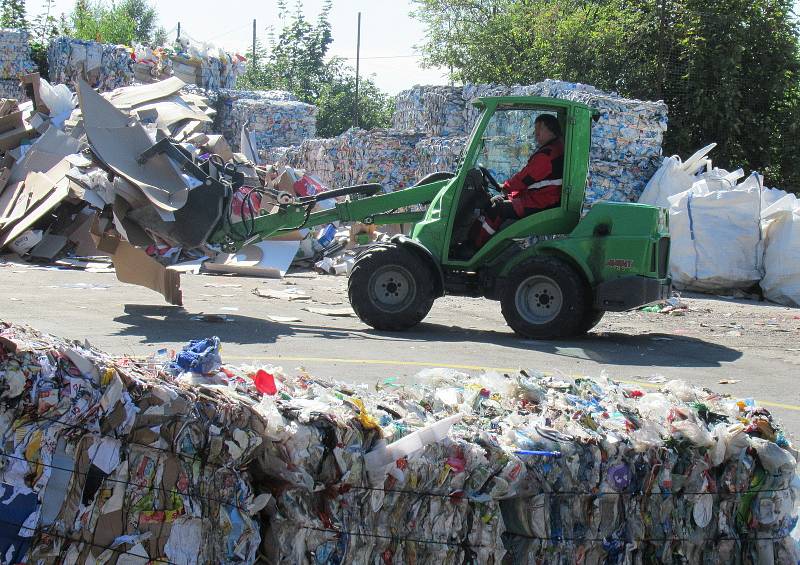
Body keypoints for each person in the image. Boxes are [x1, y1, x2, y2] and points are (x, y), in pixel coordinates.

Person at [467, 114, 565, 251]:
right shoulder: (556, 148)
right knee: (494, 201)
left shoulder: (548, 155)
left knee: (497, 208)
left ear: (550, 129)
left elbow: (524, 178)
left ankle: (476, 247)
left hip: (540, 200)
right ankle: (474, 238)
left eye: (538, 130)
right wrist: (506, 188)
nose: (536, 134)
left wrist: (506, 187)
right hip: (541, 197)